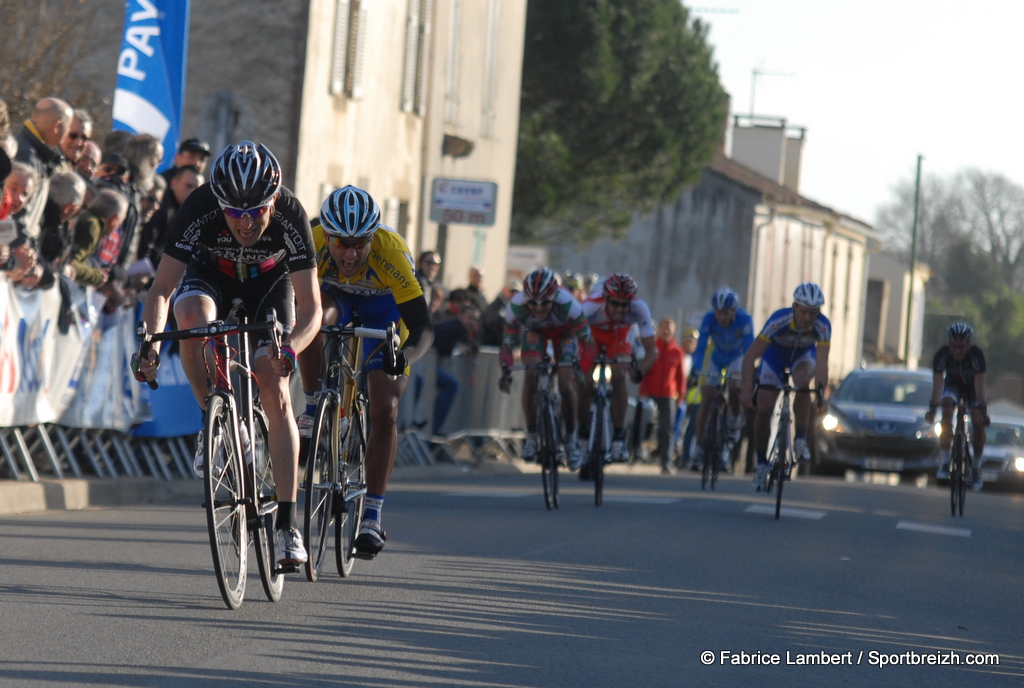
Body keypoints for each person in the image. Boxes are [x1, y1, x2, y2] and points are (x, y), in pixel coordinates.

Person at [134, 141, 322, 568]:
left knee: (274, 388)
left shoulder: (292, 215)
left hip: (269, 286)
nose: (245, 222)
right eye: (234, 213)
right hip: (211, 275)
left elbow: (311, 307)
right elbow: (162, 288)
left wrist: (290, 349)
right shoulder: (198, 207)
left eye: (256, 211)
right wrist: (148, 341)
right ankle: (211, 417)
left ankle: (288, 528)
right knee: (189, 315)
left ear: (272, 201)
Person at [296, 185, 433, 560]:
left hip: (384, 311)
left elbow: (422, 328)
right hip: (335, 299)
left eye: (360, 244)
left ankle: (371, 515)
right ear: (328, 235)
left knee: (384, 407)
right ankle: (313, 407)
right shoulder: (312, 239)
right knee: (312, 319)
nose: (351, 253)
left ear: (372, 237)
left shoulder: (391, 253)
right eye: (341, 243)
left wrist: (402, 358)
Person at [498, 267, 592, 469]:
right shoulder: (515, 306)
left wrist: (582, 371)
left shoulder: (569, 305)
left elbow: (588, 341)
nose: (538, 309)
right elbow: (507, 344)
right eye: (532, 303)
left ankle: (570, 440)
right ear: (525, 299)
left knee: (566, 384)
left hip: (565, 334)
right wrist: (506, 371)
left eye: (545, 303)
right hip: (535, 333)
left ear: (555, 298)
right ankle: (531, 435)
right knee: (531, 373)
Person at [741, 282, 830, 491]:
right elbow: (751, 357)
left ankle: (799, 439)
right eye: (803, 312)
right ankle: (762, 463)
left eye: (813, 313)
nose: (807, 318)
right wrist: (746, 390)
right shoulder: (778, 320)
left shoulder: (823, 326)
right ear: (794, 307)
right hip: (774, 359)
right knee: (763, 409)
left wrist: (820, 396)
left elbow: (822, 364)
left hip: (803, 358)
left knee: (802, 382)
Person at [578, 273, 657, 463]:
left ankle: (618, 439)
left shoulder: (640, 309)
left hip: (619, 338)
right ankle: (582, 436)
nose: (620, 309)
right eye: (614, 303)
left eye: (625, 304)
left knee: (619, 373)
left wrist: (639, 371)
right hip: (591, 338)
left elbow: (651, 352)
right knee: (585, 383)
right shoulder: (590, 306)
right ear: (605, 299)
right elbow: (570, 339)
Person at [691, 288, 755, 470]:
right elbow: (702, 346)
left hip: (737, 356)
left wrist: (747, 374)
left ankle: (734, 419)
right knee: (706, 399)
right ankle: (700, 446)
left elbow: (750, 349)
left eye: (725, 313)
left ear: (734, 311)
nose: (721, 317)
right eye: (718, 313)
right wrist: (697, 369)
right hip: (716, 356)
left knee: (734, 385)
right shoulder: (708, 319)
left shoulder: (745, 320)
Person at [925, 322, 989, 490]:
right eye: (954, 345)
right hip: (952, 386)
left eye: (961, 346)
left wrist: (982, 409)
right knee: (946, 410)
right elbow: (938, 386)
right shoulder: (942, 355)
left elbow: (980, 386)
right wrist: (933, 408)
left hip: (973, 388)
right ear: (949, 344)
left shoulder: (976, 356)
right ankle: (945, 462)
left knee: (977, 421)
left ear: (968, 344)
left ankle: (976, 467)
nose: (957, 351)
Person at [14, 97, 73, 237]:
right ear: (57, 126)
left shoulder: (36, 155)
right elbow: (16, 213)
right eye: (68, 126)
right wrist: (21, 245)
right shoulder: (26, 157)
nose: (68, 132)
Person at [421, 303, 481, 435]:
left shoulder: (462, 330)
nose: (472, 322)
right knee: (451, 386)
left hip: (425, 366)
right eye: (469, 318)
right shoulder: (454, 328)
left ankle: (431, 426)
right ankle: (433, 427)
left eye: (475, 319)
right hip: (421, 366)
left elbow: (474, 345)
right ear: (460, 315)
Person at [639, 317, 686, 473]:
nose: (666, 331)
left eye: (669, 328)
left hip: (668, 395)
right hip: (650, 392)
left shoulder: (677, 352)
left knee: (667, 429)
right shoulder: (653, 349)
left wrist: (680, 397)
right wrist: (643, 391)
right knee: (644, 425)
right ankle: (637, 454)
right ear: (659, 329)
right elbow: (645, 371)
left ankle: (666, 463)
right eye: (664, 327)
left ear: (673, 331)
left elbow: (681, 377)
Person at [137, 164, 204, 268]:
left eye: (197, 189)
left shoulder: (188, 213)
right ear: (173, 183)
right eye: (188, 186)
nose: (192, 192)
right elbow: (145, 247)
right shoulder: (162, 208)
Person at [480, 278, 521, 346]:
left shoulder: (514, 307)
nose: (514, 294)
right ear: (504, 290)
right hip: (493, 347)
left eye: (517, 292)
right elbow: (493, 326)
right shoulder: (495, 307)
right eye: (512, 291)